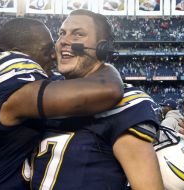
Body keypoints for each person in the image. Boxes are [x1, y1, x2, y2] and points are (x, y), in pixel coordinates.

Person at [0, 17, 123, 190]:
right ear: (19, 54)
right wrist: (104, 62)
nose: (54, 56)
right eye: (47, 50)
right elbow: (108, 90)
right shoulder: (18, 79)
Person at [31, 9, 163, 190]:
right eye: (62, 33)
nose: (64, 41)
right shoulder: (48, 90)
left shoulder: (126, 104)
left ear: (102, 48)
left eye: (78, 34)